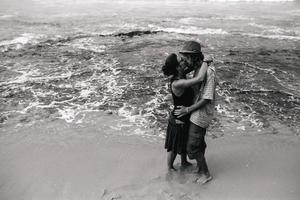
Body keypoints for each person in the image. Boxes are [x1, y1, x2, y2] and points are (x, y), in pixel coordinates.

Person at [174, 41, 216, 184]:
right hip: (195, 110)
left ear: (193, 57)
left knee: (192, 147)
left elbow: (206, 98)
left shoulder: (209, 72)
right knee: (198, 142)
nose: (184, 62)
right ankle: (200, 167)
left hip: (201, 112)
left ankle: (206, 173)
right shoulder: (198, 68)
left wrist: (187, 109)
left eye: (185, 58)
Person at [162, 53, 209, 171]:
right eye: (182, 61)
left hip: (184, 115)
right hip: (178, 118)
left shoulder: (181, 73)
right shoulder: (177, 83)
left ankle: (184, 162)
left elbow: (192, 67)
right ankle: (170, 168)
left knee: (183, 142)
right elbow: (199, 78)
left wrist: (198, 60)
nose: (185, 62)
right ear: (178, 67)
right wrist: (207, 62)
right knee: (174, 147)